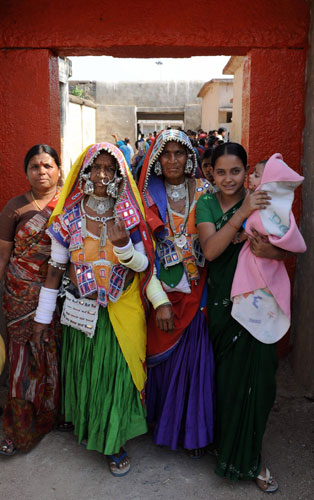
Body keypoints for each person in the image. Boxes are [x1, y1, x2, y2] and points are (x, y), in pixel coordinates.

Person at [33, 142, 155, 477]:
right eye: (95, 168)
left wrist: (123, 246)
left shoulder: (129, 213)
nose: (102, 175)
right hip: (82, 313)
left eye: (109, 169)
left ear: (118, 174)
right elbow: (56, 269)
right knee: (89, 377)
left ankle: (114, 443)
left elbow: (144, 264)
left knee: (116, 377)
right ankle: (94, 430)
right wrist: (43, 318)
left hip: (121, 311)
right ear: (84, 172)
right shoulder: (69, 217)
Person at [196, 142, 285, 493]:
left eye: (236, 171)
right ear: (210, 173)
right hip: (224, 305)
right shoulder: (206, 203)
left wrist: (272, 249)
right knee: (229, 382)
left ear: (247, 173)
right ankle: (230, 450)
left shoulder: (265, 197)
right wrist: (241, 213)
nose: (228, 178)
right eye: (221, 172)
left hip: (262, 306)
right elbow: (211, 250)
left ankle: (254, 458)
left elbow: (289, 244)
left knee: (259, 383)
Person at [139, 129, 215, 457]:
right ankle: (164, 424)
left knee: (196, 362)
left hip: (198, 291)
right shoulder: (147, 197)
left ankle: (192, 431)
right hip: (162, 291)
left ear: (189, 158)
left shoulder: (205, 191)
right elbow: (142, 251)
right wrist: (158, 302)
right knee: (164, 362)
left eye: (179, 154)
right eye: (166, 154)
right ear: (156, 160)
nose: (173, 160)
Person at [0, 144, 62, 455]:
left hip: (54, 296)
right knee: (20, 363)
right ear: (26, 172)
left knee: (50, 355)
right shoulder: (15, 207)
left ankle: (53, 416)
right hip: (17, 297)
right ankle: (17, 430)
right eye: (35, 166)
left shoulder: (69, 204)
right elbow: (3, 257)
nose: (42, 172)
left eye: (48, 165)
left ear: (59, 169)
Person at [231, 153, 306, 344]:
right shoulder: (253, 199)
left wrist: (245, 233)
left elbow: (263, 228)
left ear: (269, 183)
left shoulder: (270, 206)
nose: (251, 177)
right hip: (254, 257)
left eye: (256, 175)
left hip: (264, 262)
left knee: (262, 293)